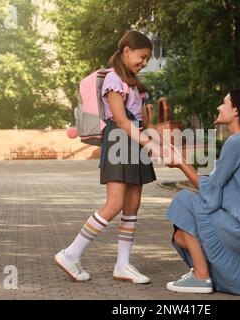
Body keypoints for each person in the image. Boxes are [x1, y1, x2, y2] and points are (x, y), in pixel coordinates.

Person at [54, 30, 162, 284]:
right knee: (114, 204)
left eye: (147, 59)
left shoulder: (137, 85)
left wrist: (157, 141)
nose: (144, 62)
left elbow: (143, 121)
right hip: (119, 141)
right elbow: (122, 121)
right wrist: (148, 142)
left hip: (135, 143)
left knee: (132, 206)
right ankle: (71, 254)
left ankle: (122, 265)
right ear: (126, 51)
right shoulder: (114, 79)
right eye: (141, 56)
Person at [164, 89, 240, 295]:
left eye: (224, 103)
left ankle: (201, 277)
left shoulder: (238, 141)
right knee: (179, 237)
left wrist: (181, 164)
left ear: (236, 110)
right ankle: (224, 278)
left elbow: (211, 192)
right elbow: (215, 188)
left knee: (184, 200)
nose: (219, 107)